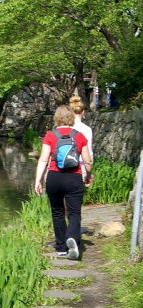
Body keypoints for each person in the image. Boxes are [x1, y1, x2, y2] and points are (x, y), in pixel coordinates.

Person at [35, 105, 92, 259]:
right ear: (71, 117)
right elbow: (87, 162)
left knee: (57, 212)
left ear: (57, 118)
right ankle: (72, 237)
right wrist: (88, 175)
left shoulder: (50, 135)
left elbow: (43, 159)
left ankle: (61, 248)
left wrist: (37, 181)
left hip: (54, 177)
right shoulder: (79, 136)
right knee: (74, 212)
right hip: (73, 178)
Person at [69, 95, 93, 163]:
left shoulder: (66, 127)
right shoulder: (87, 129)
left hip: (66, 163)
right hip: (81, 164)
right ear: (83, 112)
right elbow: (89, 151)